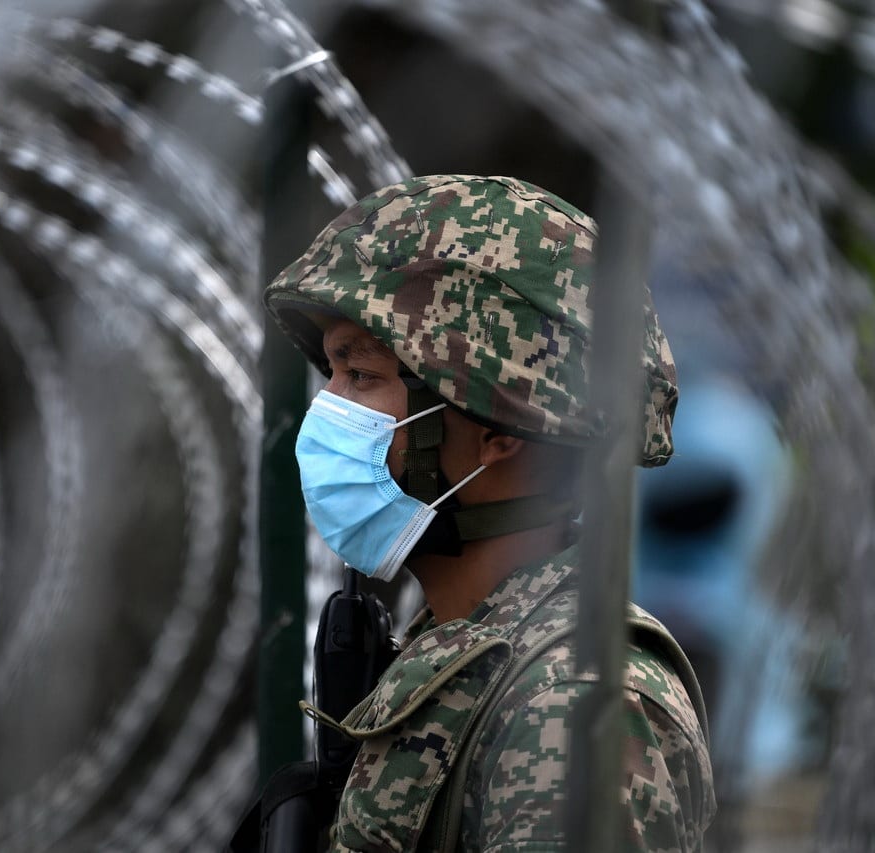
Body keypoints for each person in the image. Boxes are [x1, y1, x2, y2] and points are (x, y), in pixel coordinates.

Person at [263, 174, 715, 851]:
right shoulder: (462, 650)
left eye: (361, 376)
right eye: (333, 374)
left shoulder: (573, 705)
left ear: (497, 428)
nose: (327, 410)